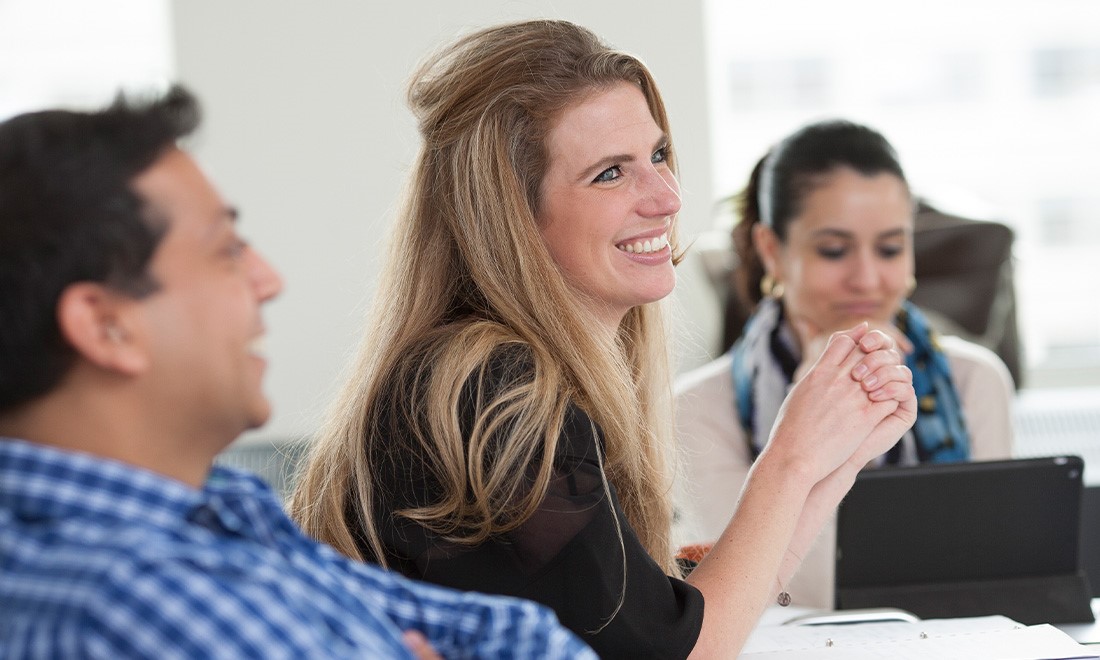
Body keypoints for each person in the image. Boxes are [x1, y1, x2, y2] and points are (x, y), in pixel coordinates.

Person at [289, 20, 916, 658]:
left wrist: (837, 459)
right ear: (513, 216)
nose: (668, 198)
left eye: (659, 155)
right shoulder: (495, 390)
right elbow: (676, 653)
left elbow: (694, 624)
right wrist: (791, 460)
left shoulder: (514, 376)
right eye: (610, 174)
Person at [0, 86, 598, 659]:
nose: (268, 280)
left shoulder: (222, 508)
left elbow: (516, 633)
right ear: (106, 327)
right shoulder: (132, 596)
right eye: (225, 250)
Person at [675, 119, 1016, 608]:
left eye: (891, 248)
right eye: (834, 250)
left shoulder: (975, 381)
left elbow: (991, 580)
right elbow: (776, 595)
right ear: (771, 251)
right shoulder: (694, 409)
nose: (867, 278)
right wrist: (813, 412)